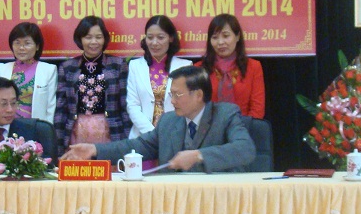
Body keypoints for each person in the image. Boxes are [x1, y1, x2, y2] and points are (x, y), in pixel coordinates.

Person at [61, 66, 255, 172]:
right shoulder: (169, 121)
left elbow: (245, 149)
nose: (172, 101)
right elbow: (137, 146)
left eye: (177, 95)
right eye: (171, 94)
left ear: (198, 95)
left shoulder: (226, 114)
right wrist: (95, 149)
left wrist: (199, 155)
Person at [54, 16, 131, 155]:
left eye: (98, 37)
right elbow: (61, 110)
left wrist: (127, 142)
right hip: (76, 131)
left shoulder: (118, 65)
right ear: (80, 39)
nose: (94, 42)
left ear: (104, 39)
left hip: (110, 132)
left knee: (107, 167)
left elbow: (124, 106)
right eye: (88, 37)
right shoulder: (67, 67)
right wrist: (58, 146)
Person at [127, 15, 192, 139]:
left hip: (174, 135)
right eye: (150, 37)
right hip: (142, 136)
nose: (154, 43)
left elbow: (186, 106)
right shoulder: (135, 66)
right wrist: (152, 134)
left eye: (160, 37)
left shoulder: (185, 66)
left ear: (171, 38)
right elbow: (133, 106)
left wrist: (166, 134)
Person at [196, 14, 265, 118]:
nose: (220, 42)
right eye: (215, 37)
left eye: (226, 36)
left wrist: (240, 127)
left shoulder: (253, 67)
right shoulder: (199, 69)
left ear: (237, 36)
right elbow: (195, 108)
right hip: (208, 126)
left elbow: (257, 110)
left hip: (244, 126)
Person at [0, 22, 57, 123]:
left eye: (27, 43)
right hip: (7, 126)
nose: (21, 48)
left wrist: (47, 130)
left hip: (36, 127)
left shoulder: (48, 70)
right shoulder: (1, 69)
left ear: (37, 46)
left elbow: (51, 107)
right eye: (17, 43)